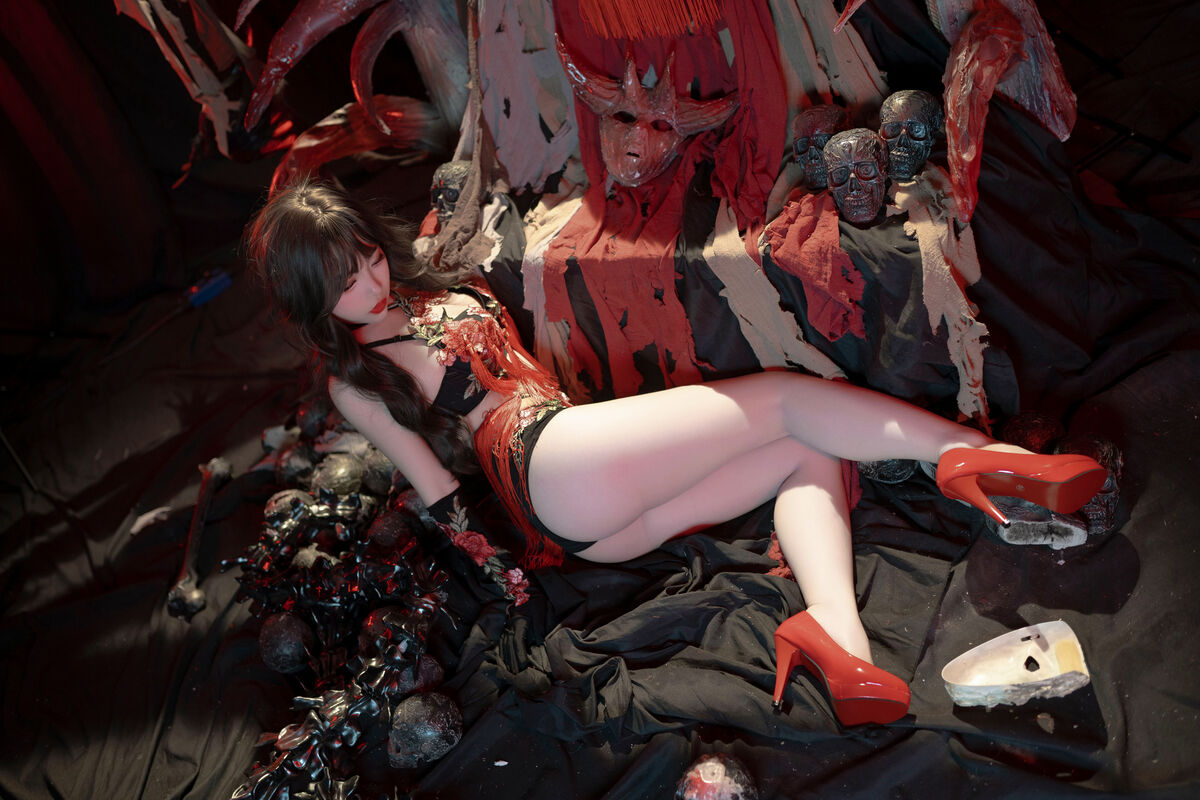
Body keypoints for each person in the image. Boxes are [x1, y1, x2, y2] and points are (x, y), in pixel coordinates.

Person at [245, 178, 1107, 727]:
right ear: (312, 300)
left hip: (585, 490)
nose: (370, 282)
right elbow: (437, 490)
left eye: (367, 257)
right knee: (782, 396)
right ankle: (974, 455)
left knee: (805, 445)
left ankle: (838, 640)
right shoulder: (355, 381)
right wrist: (513, 586)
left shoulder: (418, 287)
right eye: (346, 282)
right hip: (545, 465)